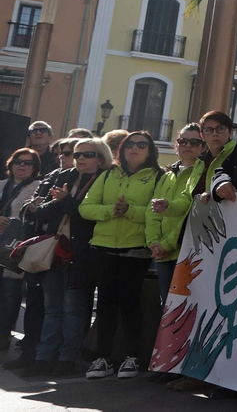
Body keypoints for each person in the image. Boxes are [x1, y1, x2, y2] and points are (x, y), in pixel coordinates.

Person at [79, 129, 159, 379]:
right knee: (105, 304)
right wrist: (110, 211)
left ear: (150, 151)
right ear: (122, 150)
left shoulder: (159, 177)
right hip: (103, 247)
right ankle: (103, 358)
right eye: (130, 144)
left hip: (135, 248)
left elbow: (156, 212)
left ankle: (132, 357)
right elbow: (85, 208)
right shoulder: (107, 175)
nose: (135, 148)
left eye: (141, 145)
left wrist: (130, 211)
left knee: (130, 304)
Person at [27, 137, 109, 377]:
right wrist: (54, 203)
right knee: (52, 308)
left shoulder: (105, 180)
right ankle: (44, 357)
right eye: (77, 154)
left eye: (88, 154)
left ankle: (66, 359)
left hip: (82, 253)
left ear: (100, 158)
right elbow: (43, 213)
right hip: (54, 251)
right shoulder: (64, 176)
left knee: (73, 309)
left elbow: (88, 217)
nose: (80, 158)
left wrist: (65, 201)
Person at [147, 125, 205, 300]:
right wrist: (154, 242)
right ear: (176, 145)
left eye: (194, 142)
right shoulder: (167, 175)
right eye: (183, 141)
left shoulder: (201, 171)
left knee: (184, 306)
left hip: (186, 251)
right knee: (166, 304)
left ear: (203, 147)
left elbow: (188, 207)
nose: (187, 145)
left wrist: (167, 244)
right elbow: (152, 213)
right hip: (162, 254)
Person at [0, 148, 45, 364]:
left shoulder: (37, 187)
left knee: (10, 291)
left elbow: (31, 215)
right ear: (10, 164)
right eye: (18, 161)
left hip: (15, 247)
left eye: (28, 163)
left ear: (35, 168)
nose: (22, 165)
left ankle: (3, 334)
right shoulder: (1, 185)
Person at [196, 111, 236, 198]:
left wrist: (213, 190)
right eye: (208, 130)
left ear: (230, 131)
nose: (215, 134)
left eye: (220, 128)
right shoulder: (200, 163)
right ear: (202, 135)